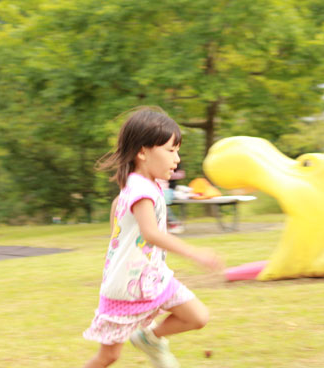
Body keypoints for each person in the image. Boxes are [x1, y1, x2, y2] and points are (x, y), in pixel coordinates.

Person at [83, 108, 223, 368]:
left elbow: (118, 207)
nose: (177, 159)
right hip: (126, 289)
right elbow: (151, 233)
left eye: (177, 151)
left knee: (198, 316)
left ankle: (149, 338)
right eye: (171, 151)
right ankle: (146, 338)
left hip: (153, 279)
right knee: (109, 357)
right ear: (143, 151)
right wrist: (195, 253)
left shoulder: (144, 186)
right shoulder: (140, 189)